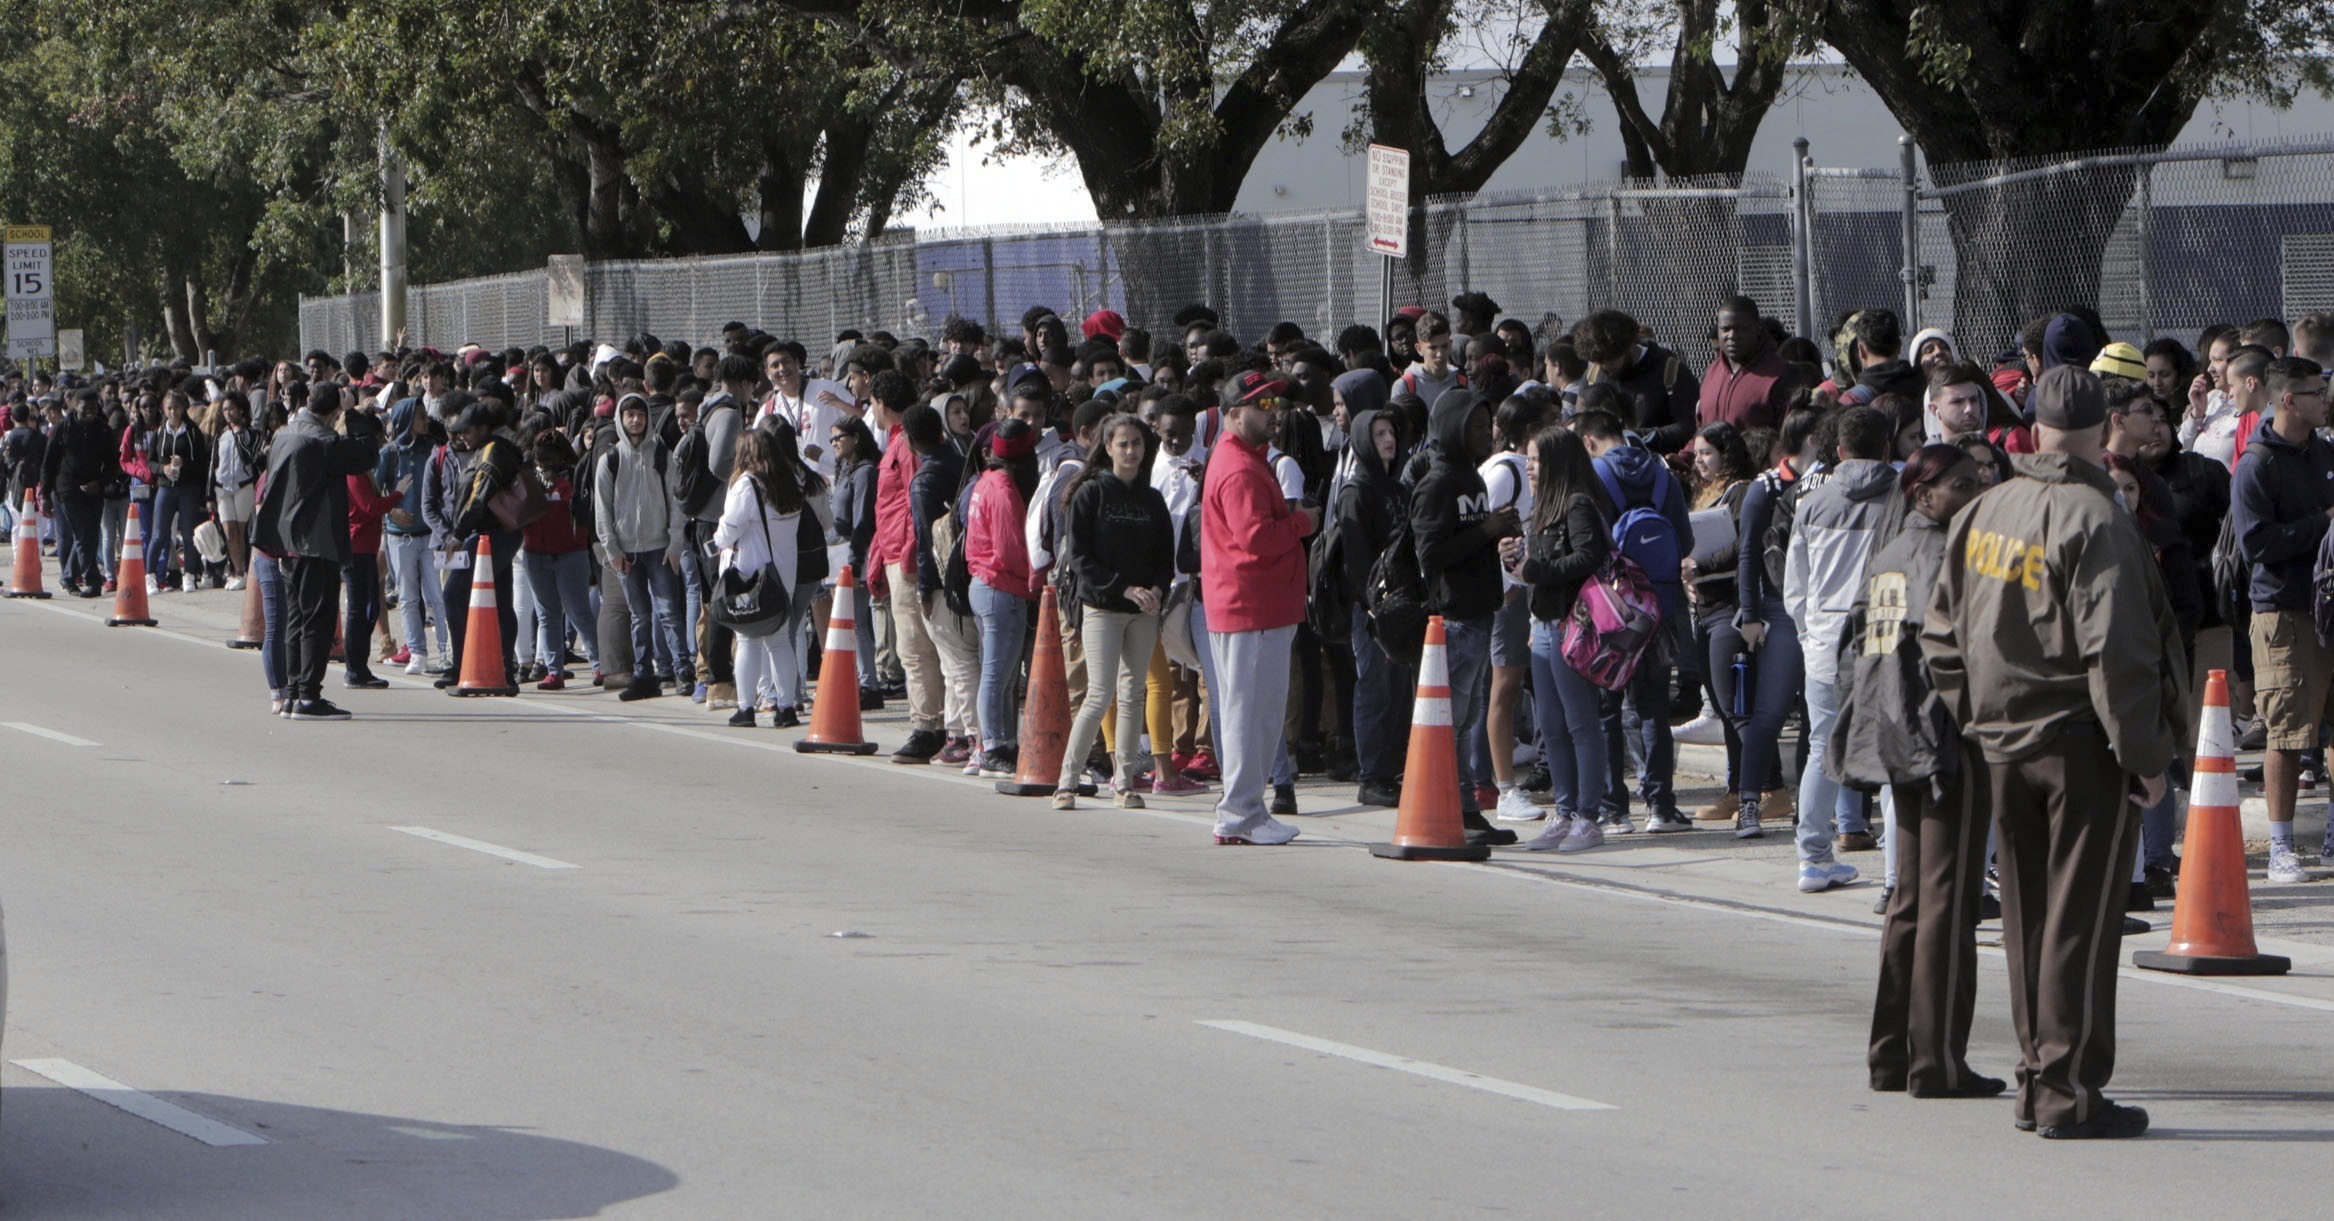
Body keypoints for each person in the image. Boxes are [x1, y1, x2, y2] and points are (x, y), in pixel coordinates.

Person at [1923, 365, 2188, 1139]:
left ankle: (2038, 1076)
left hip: (2004, 740)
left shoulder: (1985, 509)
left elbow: (1940, 633)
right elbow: (2118, 652)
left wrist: (1977, 713)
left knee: (2028, 920)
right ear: (2104, 431)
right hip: (2080, 743)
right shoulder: (2098, 518)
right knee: (2082, 922)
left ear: (2034, 428)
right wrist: (2144, 756)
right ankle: (2067, 1088)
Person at [1848, 445, 1998, 1099]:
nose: (1975, 492)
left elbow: (1863, 649)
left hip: (1894, 733)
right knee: (1947, 901)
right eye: (1961, 484)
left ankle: (1892, 1054)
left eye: (1979, 481)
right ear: (1922, 494)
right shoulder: (1944, 554)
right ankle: (1936, 1059)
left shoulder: (1889, 555)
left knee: (1912, 898)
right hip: (1942, 739)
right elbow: (1960, 656)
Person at [1784, 404, 1900, 891]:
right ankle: (1899, 869)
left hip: (1824, 642)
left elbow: (1796, 587)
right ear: (1888, 448)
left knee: (1821, 748)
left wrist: (1808, 635)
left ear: (1838, 450)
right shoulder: (1902, 499)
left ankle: (1812, 857)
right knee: (1894, 755)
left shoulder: (1812, 502)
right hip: (1884, 639)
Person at [1200, 371, 1318, 845]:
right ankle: (1240, 815)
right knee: (1252, 715)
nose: (1274, 413)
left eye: (1273, 404)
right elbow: (1257, 538)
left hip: (1254, 607)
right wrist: (1301, 523)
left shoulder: (1244, 459)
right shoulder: (1240, 467)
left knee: (1253, 714)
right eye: (1261, 405)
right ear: (1233, 414)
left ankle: (1247, 810)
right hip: (1252, 608)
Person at [2229, 355, 2334, 880]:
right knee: (2288, 735)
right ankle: (2280, 848)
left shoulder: (2324, 452)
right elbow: (2257, 544)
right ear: (2289, 399)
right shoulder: (2257, 464)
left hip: (2328, 609)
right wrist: (2323, 523)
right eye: (2317, 391)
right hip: (2284, 615)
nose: (2326, 399)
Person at [1575, 409, 1694, 834]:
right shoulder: (1663, 476)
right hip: (1659, 607)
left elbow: (1587, 546)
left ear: (1588, 442)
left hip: (1610, 611)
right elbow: (1685, 541)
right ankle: (1661, 806)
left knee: (1608, 710)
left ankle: (1615, 810)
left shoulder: (1591, 478)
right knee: (1654, 709)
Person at [1412, 388, 1522, 845]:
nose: (1485, 434)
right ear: (1453, 429)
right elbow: (1430, 554)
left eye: (1487, 425)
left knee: (1466, 719)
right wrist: (1485, 530)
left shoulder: (1472, 479)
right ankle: (1454, 813)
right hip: (1454, 619)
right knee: (1452, 723)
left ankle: (1467, 811)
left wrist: (1498, 534)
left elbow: (1471, 540)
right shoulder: (1437, 484)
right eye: (1475, 427)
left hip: (1480, 614)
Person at [1054, 413, 1176, 809]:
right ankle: (1066, 782)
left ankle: (1125, 783)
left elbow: (1165, 558)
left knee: (1133, 693)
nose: (1130, 451)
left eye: (1136, 443)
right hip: (1102, 608)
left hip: (1144, 612)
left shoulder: (1152, 500)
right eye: (1122, 444)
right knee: (1100, 693)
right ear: (1107, 447)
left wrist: (1155, 590)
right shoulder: (1090, 493)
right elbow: (1079, 558)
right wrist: (1123, 588)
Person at [1504, 426, 1614, 852]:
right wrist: (1518, 561)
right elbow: (1542, 566)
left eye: (1535, 460)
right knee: (1551, 726)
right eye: (1528, 459)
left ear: (1557, 462)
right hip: (1545, 626)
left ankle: (1588, 816)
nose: (1529, 468)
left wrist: (1537, 570)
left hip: (1575, 627)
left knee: (1580, 723)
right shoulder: (1543, 507)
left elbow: (1589, 557)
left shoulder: (1577, 503)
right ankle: (1564, 812)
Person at [251, 384, 384, 721]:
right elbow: (366, 454)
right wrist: (353, 413)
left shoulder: (285, 434)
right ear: (333, 411)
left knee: (296, 618)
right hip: (315, 539)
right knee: (317, 619)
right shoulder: (323, 440)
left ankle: (294, 692)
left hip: (286, 538)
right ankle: (308, 695)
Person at [1682, 422, 1769, 822]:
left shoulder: (1743, 491)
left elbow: (1743, 546)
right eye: (1697, 454)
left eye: (1707, 453)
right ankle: (1737, 789)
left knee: (1737, 707)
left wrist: (1700, 566)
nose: (1700, 461)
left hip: (1729, 611)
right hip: (1704, 607)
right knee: (1722, 706)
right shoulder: (1704, 492)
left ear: (1727, 453)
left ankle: (1766, 789)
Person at [1334, 401, 1409, 808]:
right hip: (1371, 612)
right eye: (1379, 434)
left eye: (1391, 432)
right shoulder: (1356, 492)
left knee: (1397, 692)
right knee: (1375, 690)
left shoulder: (1395, 487)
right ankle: (1372, 775)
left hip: (1400, 608)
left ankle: (1391, 769)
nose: (1389, 440)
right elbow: (1358, 562)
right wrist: (1376, 606)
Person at [593, 392, 691, 701]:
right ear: (620, 419)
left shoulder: (663, 455)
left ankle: (682, 670)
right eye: (629, 415)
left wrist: (675, 543)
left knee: (669, 612)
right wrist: (612, 549)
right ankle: (643, 674)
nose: (635, 420)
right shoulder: (610, 460)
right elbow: (602, 509)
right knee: (639, 616)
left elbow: (676, 503)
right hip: (626, 552)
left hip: (659, 547)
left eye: (640, 414)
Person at [966, 419, 1041, 776]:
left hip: (985, 583)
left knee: (1001, 675)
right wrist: (1035, 578)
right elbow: (1011, 551)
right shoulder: (1005, 490)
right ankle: (993, 746)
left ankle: (1002, 742)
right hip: (1002, 586)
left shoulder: (985, 481)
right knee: (997, 675)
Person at [715, 428, 804, 729]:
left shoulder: (748, 485)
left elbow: (728, 530)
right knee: (779, 641)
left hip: (750, 575)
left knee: (747, 640)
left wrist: (717, 537)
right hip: (782, 574)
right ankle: (787, 707)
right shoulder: (791, 482)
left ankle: (746, 708)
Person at [377, 396, 449, 674]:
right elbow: (376, 492)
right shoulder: (390, 453)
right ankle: (417, 652)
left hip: (430, 535)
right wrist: (390, 511)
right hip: (400, 537)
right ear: (406, 419)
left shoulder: (433, 449)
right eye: (420, 415)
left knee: (436, 595)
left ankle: (445, 651)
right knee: (407, 597)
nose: (425, 420)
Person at [522, 431, 598, 691]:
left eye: (548, 460)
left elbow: (581, 512)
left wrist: (560, 485)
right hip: (535, 552)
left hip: (570, 553)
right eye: (539, 460)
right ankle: (554, 671)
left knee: (579, 612)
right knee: (547, 614)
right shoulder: (528, 479)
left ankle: (599, 665)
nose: (543, 466)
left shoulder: (574, 478)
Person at [827, 414, 883, 709]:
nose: (834, 443)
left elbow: (862, 519)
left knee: (859, 621)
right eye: (831, 438)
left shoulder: (864, 472)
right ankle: (862, 680)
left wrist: (855, 561)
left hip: (857, 552)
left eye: (839, 437)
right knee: (851, 621)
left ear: (856, 438)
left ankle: (869, 684)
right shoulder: (845, 469)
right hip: (841, 551)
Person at [142, 389, 209, 594]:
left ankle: (189, 574)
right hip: (166, 487)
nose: (173, 412)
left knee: (188, 534)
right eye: (169, 408)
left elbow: (202, 463)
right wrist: (163, 469)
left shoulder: (192, 432)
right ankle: (150, 576)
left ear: (183, 409)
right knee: (159, 534)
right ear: (164, 410)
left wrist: (184, 463)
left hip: (188, 488)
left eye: (177, 408)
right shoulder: (160, 433)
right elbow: (150, 462)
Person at [1699, 297, 1798, 431]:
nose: (1732, 335)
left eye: (1741, 329)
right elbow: (1700, 429)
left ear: (1758, 328)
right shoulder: (1711, 373)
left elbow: (1791, 437)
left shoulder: (1782, 374)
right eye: (1725, 329)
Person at [212, 396, 264, 589]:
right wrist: (209, 494)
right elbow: (213, 464)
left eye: (232, 409)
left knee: (240, 531)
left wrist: (238, 434)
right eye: (225, 410)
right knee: (229, 531)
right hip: (222, 487)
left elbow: (249, 457)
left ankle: (242, 571)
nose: (228, 413)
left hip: (243, 485)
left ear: (241, 410)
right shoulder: (221, 435)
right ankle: (238, 570)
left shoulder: (252, 434)